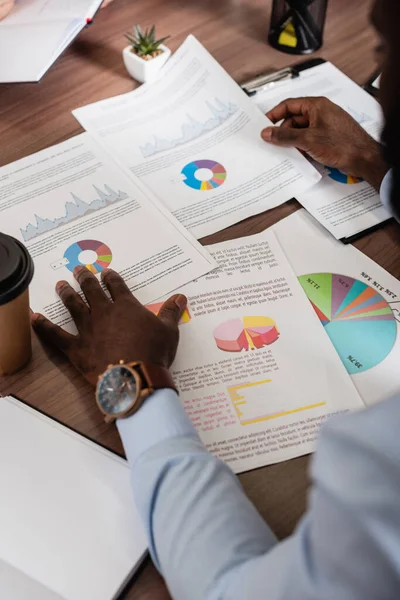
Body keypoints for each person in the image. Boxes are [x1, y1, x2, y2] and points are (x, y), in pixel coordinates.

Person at [31, 0, 400, 598]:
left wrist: (135, 379)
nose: (378, 89)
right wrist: (375, 162)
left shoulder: (382, 460)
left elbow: (227, 589)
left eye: (383, 58)